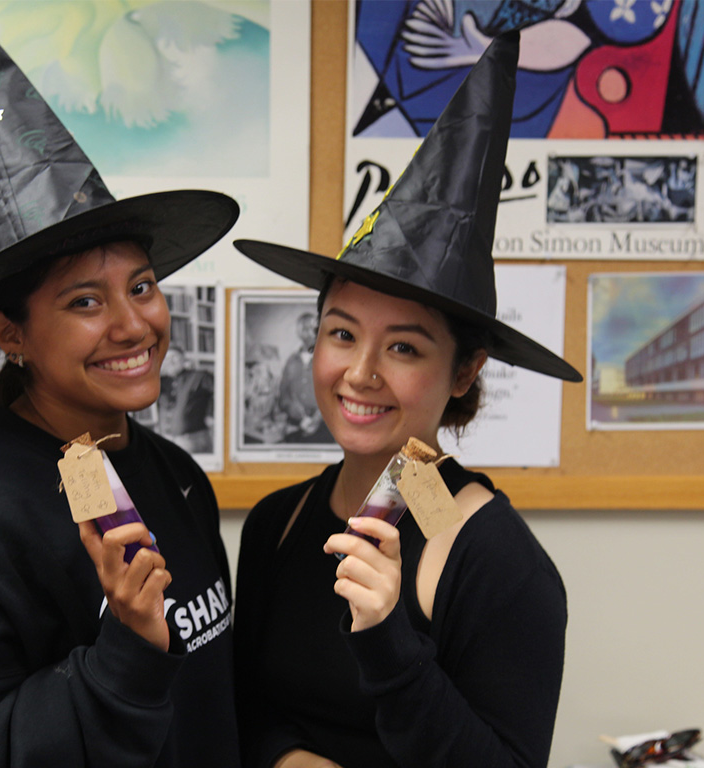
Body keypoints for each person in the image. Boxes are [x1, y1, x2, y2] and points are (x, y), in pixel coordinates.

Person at [0, 5, 241, 766]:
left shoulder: (178, 478)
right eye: (85, 302)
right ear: (11, 335)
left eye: (142, 285)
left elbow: (211, 699)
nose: (134, 325)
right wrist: (126, 651)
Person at [232, 32, 582, 768]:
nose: (360, 373)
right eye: (341, 332)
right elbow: (243, 707)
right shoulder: (277, 525)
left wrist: (390, 636)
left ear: (464, 372)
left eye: (404, 347)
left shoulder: (498, 564)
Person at [277, 312, 331, 443]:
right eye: (306, 329)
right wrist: (299, 416)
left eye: (315, 328)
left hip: (325, 427)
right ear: (300, 332)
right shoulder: (291, 361)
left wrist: (317, 418)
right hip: (296, 427)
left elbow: (336, 394)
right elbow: (283, 395)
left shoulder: (329, 360)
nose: (312, 333)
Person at [158, 346, 214, 453]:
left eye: (174, 357)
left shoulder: (199, 376)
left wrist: (211, 413)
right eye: (166, 358)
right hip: (166, 440)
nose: (171, 361)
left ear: (184, 359)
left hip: (192, 440)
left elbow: (222, 392)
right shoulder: (161, 382)